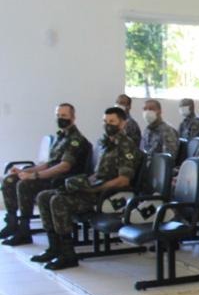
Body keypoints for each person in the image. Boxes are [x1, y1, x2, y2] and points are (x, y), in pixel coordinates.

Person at [32, 107, 142, 270]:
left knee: (58, 201)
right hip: (94, 189)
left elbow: (123, 180)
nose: (107, 125)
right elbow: (96, 174)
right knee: (44, 196)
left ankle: (68, 254)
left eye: (112, 122)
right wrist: (83, 184)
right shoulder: (104, 143)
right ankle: (54, 247)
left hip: (109, 196)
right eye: (105, 121)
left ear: (123, 123)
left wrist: (94, 189)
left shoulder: (126, 146)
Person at [1, 103, 90, 246]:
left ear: (73, 118)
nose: (61, 119)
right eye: (58, 116)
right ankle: (12, 222)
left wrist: (34, 176)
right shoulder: (61, 137)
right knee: (11, 179)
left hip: (62, 180)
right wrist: (25, 171)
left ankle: (24, 230)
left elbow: (63, 166)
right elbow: (49, 164)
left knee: (25, 184)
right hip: (51, 176)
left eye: (64, 116)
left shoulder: (75, 140)